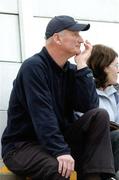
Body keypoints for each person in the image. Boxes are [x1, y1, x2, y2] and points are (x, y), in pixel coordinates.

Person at [1, 15, 115, 180]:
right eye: (75, 34)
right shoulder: (33, 68)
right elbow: (43, 115)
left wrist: (82, 65)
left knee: (100, 115)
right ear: (57, 39)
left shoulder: (70, 71)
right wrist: (61, 151)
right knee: (60, 169)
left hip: (57, 141)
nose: (81, 40)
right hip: (22, 147)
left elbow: (90, 107)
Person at [87, 44, 119, 179]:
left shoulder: (116, 93)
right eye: (116, 65)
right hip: (93, 147)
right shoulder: (86, 92)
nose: (118, 71)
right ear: (105, 67)